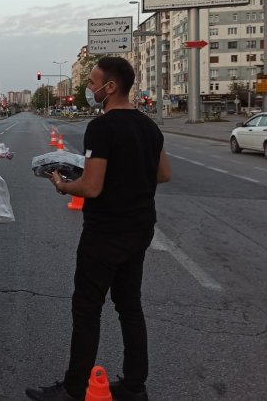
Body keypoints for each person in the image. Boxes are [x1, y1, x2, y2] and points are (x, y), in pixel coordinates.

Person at [26, 57, 171, 401]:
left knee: (87, 310)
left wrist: (62, 184)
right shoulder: (148, 126)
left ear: (111, 87)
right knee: (129, 306)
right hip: (139, 229)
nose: (89, 89)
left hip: (105, 233)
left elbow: (91, 187)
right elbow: (163, 174)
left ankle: (74, 389)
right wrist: (127, 176)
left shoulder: (102, 128)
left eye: (93, 83)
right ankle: (136, 386)